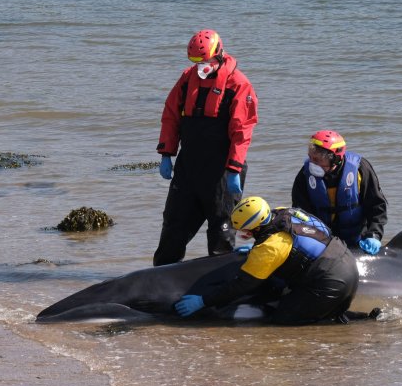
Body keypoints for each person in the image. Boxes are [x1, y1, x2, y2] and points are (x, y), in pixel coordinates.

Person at [153, 29, 258, 266]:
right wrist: (166, 154)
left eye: (205, 61)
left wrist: (234, 169)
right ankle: (161, 275)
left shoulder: (238, 84)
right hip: (189, 165)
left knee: (221, 230)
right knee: (173, 225)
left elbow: (242, 131)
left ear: (218, 54)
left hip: (222, 170)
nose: (201, 66)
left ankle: (219, 285)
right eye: (196, 62)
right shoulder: (187, 78)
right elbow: (171, 115)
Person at [174, 197, 360, 325]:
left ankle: (336, 329)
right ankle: (337, 314)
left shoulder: (269, 247)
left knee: (283, 319)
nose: (242, 234)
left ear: (254, 229)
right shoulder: (283, 212)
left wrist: (203, 301)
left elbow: (241, 285)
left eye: (244, 231)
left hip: (331, 278)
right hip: (346, 259)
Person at [291, 130, 387, 255]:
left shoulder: (360, 169)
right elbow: (300, 213)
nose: (312, 163)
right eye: (310, 157)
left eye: (317, 160)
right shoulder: (304, 175)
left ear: (335, 159)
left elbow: (377, 206)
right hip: (322, 242)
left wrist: (374, 234)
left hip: (358, 240)